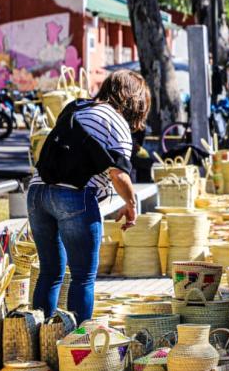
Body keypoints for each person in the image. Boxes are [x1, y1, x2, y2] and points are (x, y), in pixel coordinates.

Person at [29, 70, 149, 322]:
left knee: (50, 272)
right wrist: (130, 203)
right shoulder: (116, 122)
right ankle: (77, 345)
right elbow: (119, 175)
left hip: (37, 192)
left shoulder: (76, 107)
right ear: (135, 101)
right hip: (74, 196)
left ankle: (36, 341)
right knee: (83, 277)